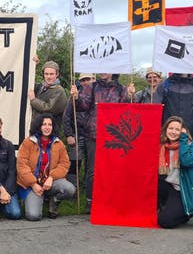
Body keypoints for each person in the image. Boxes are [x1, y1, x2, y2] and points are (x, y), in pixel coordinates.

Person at [72, 73, 134, 213]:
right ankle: (90, 201)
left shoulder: (122, 89)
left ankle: (111, 200)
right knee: (92, 170)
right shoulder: (91, 87)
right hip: (93, 134)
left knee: (113, 169)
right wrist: (76, 98)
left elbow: (127, 109)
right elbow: (82, 106)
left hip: (114, 136)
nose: (103, 72)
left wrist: (131, 97)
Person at [17, 113, 75, 220]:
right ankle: (36, 200)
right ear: (39, 126)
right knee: (33, 216)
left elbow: (64, 164)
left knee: (70, 189)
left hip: (50, 182)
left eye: (50, 124)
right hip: (32, 185)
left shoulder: (58, 143)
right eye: (44, 124)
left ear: (53, 127)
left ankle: (54, 200)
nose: (47, 127)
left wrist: (52, 177)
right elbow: (22, 165)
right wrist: (33, 184)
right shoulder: (28, 142)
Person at [157, 116, 193, 228]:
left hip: (183, 190)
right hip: (167, 186)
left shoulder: (192, 147)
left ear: (184, 132)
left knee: (165, 221)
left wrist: (183, 139)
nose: (173, 132)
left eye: (177, 130)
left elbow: (186, 161)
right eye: (170, 128)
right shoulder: (161, 146)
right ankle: (165, 206)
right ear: (165, 129)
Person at [63, 73, 94, 192]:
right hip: (77, 134)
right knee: (75, 162)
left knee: (90, 164)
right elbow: (67, 116)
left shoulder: (97, 96)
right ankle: (72, 189)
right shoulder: (74, 96)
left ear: (93, 80)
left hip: (92, 136)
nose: (85, 82)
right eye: (83, 80)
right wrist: (69, 134)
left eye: (88, 79)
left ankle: (88, 189)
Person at [28, 60, 68, 133]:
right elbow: (28, 82)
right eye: (46, 74)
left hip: (50, 133)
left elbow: (48, 108)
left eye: (51, 74)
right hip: (36, 130)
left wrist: (33, 100)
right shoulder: (41, 87)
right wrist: (33, 65)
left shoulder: (59, 91)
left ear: (57, 74)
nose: (49, 77)